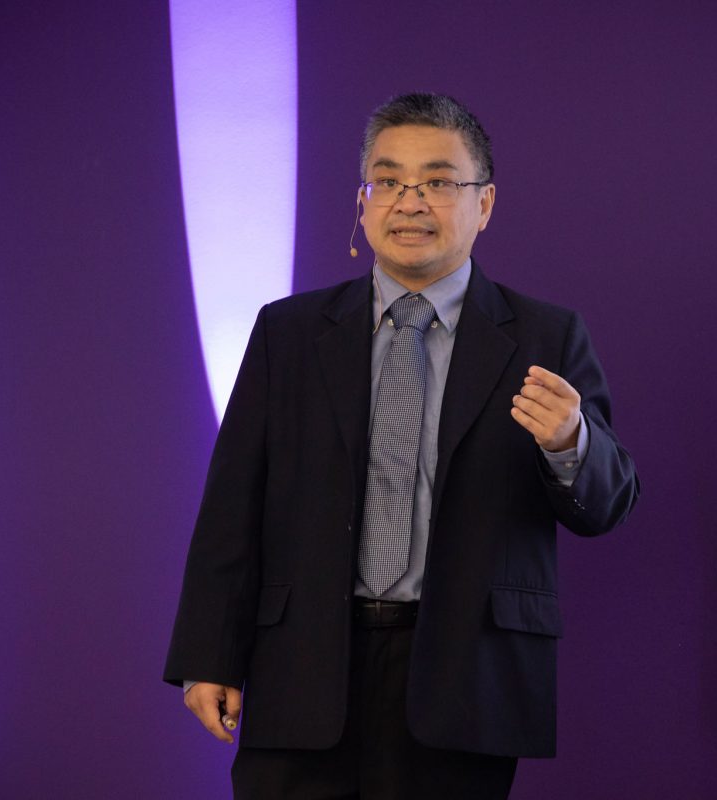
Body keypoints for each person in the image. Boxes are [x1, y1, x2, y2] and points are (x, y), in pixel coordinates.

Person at [165, 92, 639, 799]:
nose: (409, 201)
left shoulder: (546, 336)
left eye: (438, 182)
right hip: (306, 662)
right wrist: (209, 654)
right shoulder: (288, 334)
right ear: (363, 204)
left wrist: (570, 440)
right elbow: (233, 504)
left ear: (484, 204)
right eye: (388, 182)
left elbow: (608, 502)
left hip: (464, 673)